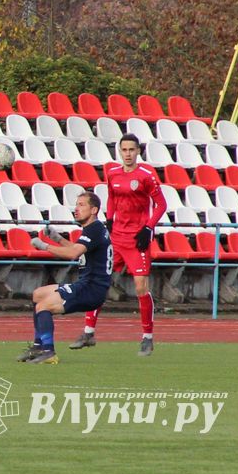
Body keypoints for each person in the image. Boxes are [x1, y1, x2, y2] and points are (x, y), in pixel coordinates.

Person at [70, 134, 166, 356]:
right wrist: (110, 220)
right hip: (116, 237)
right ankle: (88, 332)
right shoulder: (112, 173)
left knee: (141, 287)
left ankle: (147, 337)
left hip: (137, 238)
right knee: (99, 281)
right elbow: (112, 198)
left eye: (132, 149)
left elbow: (161, 204)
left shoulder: (146, 176)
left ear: (138, 151)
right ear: (119, 151)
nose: (128, 154)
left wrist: (148, 228)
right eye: (124, 150)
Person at [17, 192, 113, 365]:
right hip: (88, 285)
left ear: (94, 210)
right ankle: (39, 346)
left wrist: (44, 246)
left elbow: (73, 253)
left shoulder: (94, 229)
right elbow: (78, 249)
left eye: (82, 205)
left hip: (91, 289)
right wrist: (57, 239)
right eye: (76, 204)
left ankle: (49, 352)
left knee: (43, 306)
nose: (76, 208)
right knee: (38, 294)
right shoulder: (95, 229)